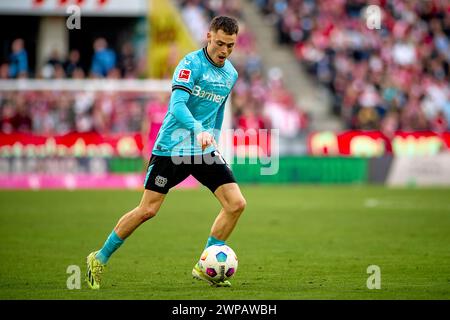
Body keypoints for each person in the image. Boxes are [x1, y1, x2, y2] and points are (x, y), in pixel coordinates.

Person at [86, 16, 246, 289]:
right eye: (220, 43)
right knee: (147, 210)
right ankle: (98, 258)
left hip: (203, 149)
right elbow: (177, 105)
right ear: (208, 36)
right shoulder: (190, 65)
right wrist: (198, 129)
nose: (224, 51)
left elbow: (219, 108)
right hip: (171, 148)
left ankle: (203, 265)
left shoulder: (230, 73)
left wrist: (215, 137)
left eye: (230, 46)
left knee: (236, 204)